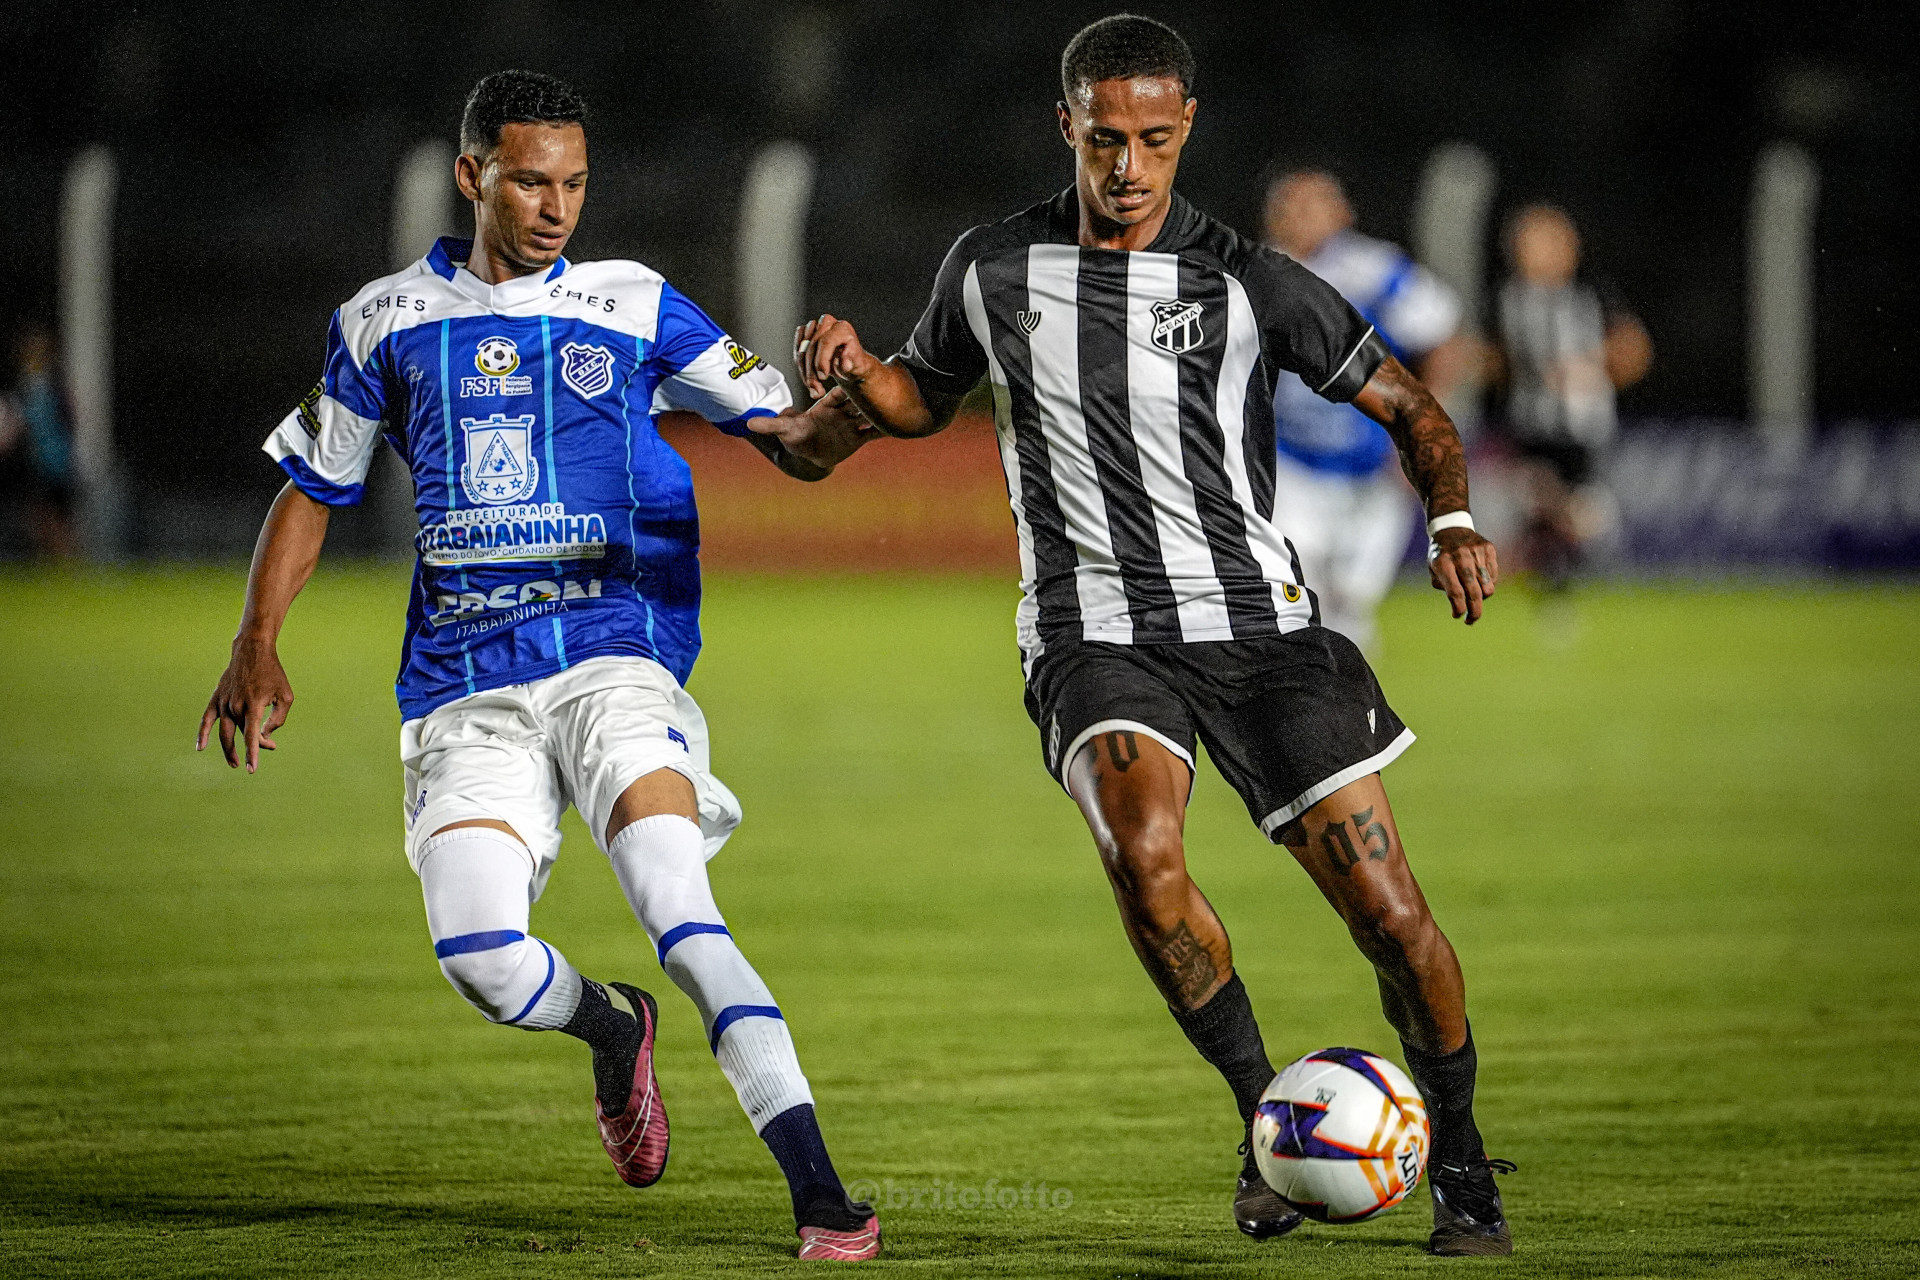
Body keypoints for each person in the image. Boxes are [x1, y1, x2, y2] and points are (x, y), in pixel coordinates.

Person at [761, 14, 1515, 1257]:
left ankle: (1467, 1163)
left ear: (1185, 133)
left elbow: (1411, 403)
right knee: (1146, 860)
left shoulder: (1250, 280)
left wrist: (1453, 514)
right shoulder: (993, 269)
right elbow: (914, 391)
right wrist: (848, 371)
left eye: (1154, 141)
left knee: (1391, 912)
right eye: (1105, 139)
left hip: (1263, 631)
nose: (1127, 166)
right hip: (1091, 628)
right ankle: (1265, 1126)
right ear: (1068, 127)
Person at [195, 70, 880, 1261]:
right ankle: (613, 1029)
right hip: (465, 682)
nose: (557, 204)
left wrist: (851, 407)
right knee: (480, 959)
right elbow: (311, 488)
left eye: (573, 182)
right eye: (529, 180)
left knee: (678, 896)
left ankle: (822, 1190)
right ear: (473, 176)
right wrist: (257, 642)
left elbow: (791, 442)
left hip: (618, 656)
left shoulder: (632, 302)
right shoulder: (384, 318)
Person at [1265, 170, 1471, 651]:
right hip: (1288, 461)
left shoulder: (1376, 269)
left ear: (1342, 213)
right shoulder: (1255, 270)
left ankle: (1349, 703)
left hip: (1370, 463)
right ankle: (1316, 704)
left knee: (1352, 600)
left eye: (1313, 204)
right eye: (1289, 205)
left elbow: (1445, 339)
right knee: (1294, 594)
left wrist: (1418, 426)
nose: (1299, 216)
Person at [1489, 204, 1651, 593]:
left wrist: (1590, 371)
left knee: (1580, 513)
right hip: (1528, 426)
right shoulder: (1504, 298)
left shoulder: (1593, 294)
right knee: (1533, 501)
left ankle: (1555, 560)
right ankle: (1548, 568)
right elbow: (1496, 359)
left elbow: (1635, 350)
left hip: (1582, 428)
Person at [11, 324, 80, 561]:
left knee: (59, 516)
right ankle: (47, 561)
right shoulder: (24, 386)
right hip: (32, 462)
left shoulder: (54, 385)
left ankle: (67, 562)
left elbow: (70, 419)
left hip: (56, 463)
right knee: (36, 515)